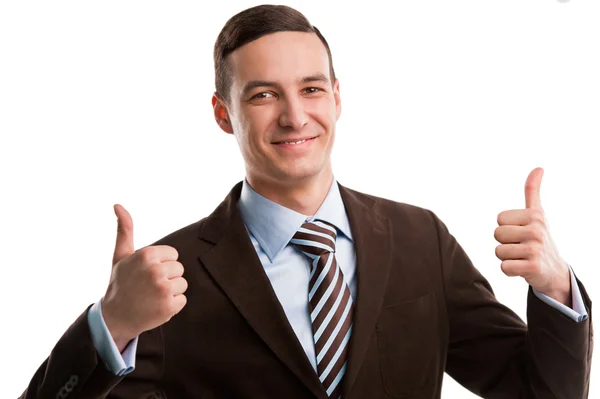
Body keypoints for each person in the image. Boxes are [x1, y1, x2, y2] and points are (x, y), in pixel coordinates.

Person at [20, 4, 592, 399]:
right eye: (265, 95)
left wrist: (553, 287)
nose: (295, 116)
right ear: (224, 114)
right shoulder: (169, 276)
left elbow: (539, 390)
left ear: (338, 98)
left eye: (312, 89)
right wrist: (112, 324)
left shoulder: (422, 240)